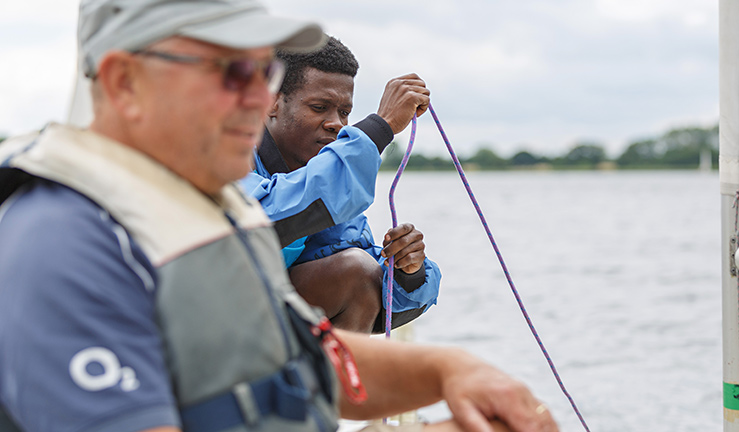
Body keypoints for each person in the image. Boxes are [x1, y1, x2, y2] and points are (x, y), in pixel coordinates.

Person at [0, 1, 559, 432]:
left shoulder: (214, 210)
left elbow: (302, 357)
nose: (255, 97)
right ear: (125, 83)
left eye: (262, 72)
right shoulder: (61, 247)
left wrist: (451, 371)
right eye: (227, 72)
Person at [241, 36, 441, 333]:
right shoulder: (228, 153)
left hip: (256, 326)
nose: (337, 123)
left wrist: (407, 272)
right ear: (271, 103)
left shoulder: (324, 180)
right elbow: (264, 217)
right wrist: (381, 126)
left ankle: (339, 381)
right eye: (319, 107)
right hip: (192, 326)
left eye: (344, 112)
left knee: (359, 271)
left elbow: (367, 277)